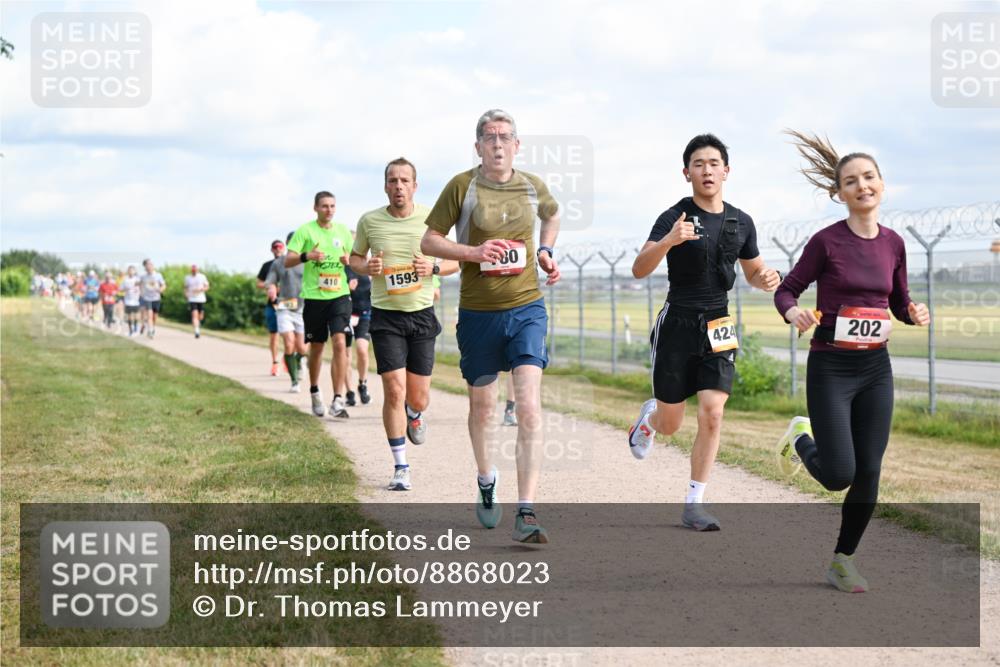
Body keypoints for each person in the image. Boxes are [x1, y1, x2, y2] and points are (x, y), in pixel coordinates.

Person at [774, 130, 930, 593]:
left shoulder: (895, 243)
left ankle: (843, 560)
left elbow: (897, 303)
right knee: (838, 474)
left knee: (869, 471)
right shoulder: (827, 241)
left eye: (869, 177)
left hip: (875, 369)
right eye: (852, 181)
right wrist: (792, 311)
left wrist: (913, 313)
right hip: (831, 367)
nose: (862, 186)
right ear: (838, 193)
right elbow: (788, 288)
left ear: (882, 184)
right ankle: (801, 438)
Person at [628, 133, 781, 532]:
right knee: (672, 424)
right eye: (699, 164)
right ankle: (650, 419)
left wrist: (768, 278)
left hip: (719, 324)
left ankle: (695, 502)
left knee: (712, 413)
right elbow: (639, 268)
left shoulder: (741, 221)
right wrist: (668, 240)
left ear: (726, 171)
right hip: (677, 322)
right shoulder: (673, 217)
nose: (707, 170)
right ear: (687, 173)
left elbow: (753, 273)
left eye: (714, 163)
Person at [421, 109, 561, 543]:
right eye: (489, 137)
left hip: (527, 309)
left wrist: (544, 251)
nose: (498, 143)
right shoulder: (462, 186)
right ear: (478, 146)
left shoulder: (533, 186)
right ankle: (486, 479)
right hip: (479, 314)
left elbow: (552, 216)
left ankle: (527, 509)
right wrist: (474, 253)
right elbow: (430, 240)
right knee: (483, 408)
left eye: (505, 137)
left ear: (517, 145)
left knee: (528, 405)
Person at [350, 157, 459, 492]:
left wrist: (434, 268)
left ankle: (416, 413)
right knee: (393, 390)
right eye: (392, 180)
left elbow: (456, 260)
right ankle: (401, 466)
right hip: (385, 316)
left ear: (415, 185)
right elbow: (354, 260)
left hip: (422, 314)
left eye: (404, 181)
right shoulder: (370, 220)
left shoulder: (431, 220)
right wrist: (368, 267)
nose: (398, 186)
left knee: (418, 397)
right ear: (385, 185)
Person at [285, 191, 354, 419]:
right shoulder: (306, 231)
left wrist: (349, 261)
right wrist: (308, 256)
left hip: (339, 295)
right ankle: (315, 391)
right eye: (324, 206)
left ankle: (338, 399)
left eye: (332, 206)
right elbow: (288, 260)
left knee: (340, 342)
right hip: (315, 297)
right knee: (316, 348)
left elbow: (354, 257)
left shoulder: (343, 231)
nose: (329, 210)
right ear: (315, 208)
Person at [266, 232, 309, 393]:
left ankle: (299, 361)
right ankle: (294, 381)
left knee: (303, 348)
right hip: (284, 306)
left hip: (303, 308)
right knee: (289, 343)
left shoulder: (308, 262)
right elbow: (270, 281)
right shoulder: (279, 262)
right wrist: (271, 289)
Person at [344, 262, 373, 407]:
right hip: (345, 315)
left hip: (364, 315)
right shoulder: (342, 267)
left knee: (362, 349)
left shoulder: (368, 266)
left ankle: (363, 384)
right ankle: (349, 392)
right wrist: (347, 289)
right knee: (345, 356)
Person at [258, 241, 285, 375]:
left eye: (280, 247)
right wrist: (271, 286)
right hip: (272, 303)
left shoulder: (290, 263)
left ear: (284, 248)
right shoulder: (267, 265)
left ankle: (289, 358)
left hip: (288, 303)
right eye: (275, 247)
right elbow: (259, 283)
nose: (278, 249)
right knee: (274, 334)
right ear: (271, 249)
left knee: (289, 334)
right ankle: (275, 363)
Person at [138, 259, 166, 338]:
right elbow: (139, 284)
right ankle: (150, 331)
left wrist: (161, 289)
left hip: (156, 298)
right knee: (149, 315)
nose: (149, 266)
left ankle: (152, 327)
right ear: (145, 267)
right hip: (147, 298)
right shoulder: (143, 276)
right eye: (148, 265)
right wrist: (140, 292)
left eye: (151, 264)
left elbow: (163, 285)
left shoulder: (158, 275)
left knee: (154, 317)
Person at [184, 264, 210, 338]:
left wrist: (201, 289)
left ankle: (198, 324)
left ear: (197, 270)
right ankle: (197, 331)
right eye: (193, 270)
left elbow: (207, 286)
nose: (194, 271)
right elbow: (186, 287)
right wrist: (186, 294)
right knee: (194, 315)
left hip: (201, 299)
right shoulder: (187, 278)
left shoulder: (202, 277)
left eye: (195, 270)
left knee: (200, 316)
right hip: (192, 299)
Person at [120, 265, 142, 336]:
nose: (131, 272)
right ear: (128, 271)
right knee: (129, 316)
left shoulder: (138, 279)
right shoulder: (125, 280)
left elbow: (142, 286)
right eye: (129, 270)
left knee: (136, 315)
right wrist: (126, 289)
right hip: (128, 300)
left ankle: (136, 329)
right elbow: (121, 289)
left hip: (136, 300)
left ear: (135, 271)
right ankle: (131, 331)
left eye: (132, 270)